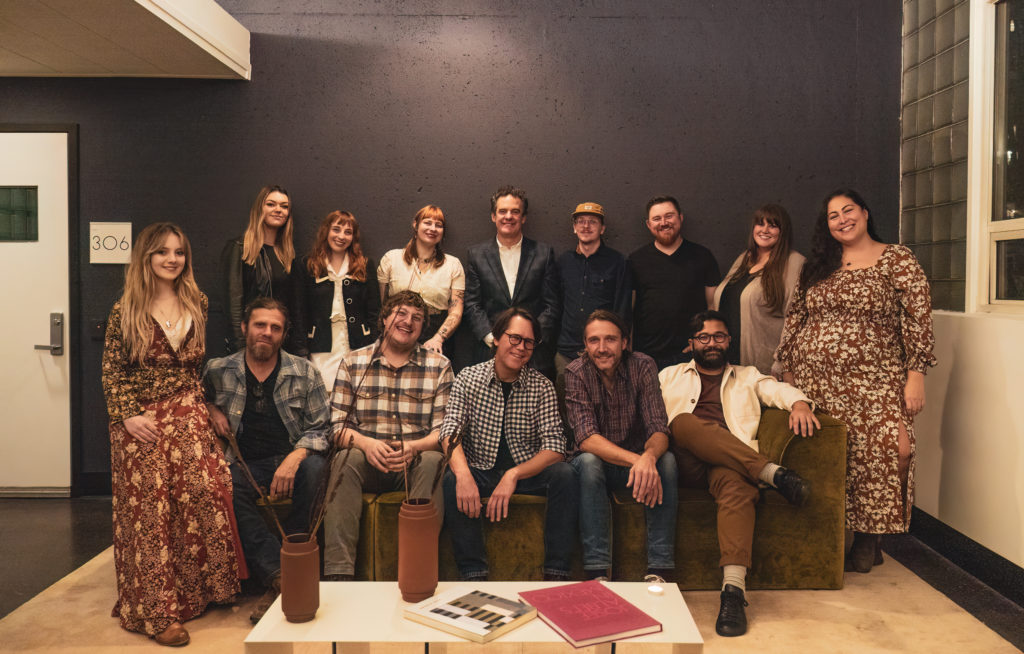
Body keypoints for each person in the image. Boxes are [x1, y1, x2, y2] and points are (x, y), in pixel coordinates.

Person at [776, 189, 936, 574]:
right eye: (833, 215)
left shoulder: (896, 258)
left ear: (865, 212)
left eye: (848, 210)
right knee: (834, 456)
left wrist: (916, 376)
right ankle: (839, 538)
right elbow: (796, 317)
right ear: (826, 225)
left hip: (876, 377)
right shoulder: (817, 265)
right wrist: (788, 371)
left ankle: (870, 536)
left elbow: (918, 318)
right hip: (816, 380)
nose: (842, 219)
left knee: (891, 450)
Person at [102, 222, 241, 647]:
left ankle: (199, 592)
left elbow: (193, 368)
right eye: (162, 252)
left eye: (179, 252)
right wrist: (128, 416)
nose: (171, 259)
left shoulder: (196, 301)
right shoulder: (125, 309)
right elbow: (112, 371)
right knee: (150, 513)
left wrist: (208, 406)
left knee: (206, 493)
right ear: (146, 258)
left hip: (189, 409)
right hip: (140, 421)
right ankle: (156, 613)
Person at [659, 310, 818, 637]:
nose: (712, 343)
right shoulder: (669, 376)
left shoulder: (748, 376)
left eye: (719, 336)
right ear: (691, 344)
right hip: (684, 462)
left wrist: (800, 404)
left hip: (728, 464)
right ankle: (773, 474)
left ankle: (733, 592)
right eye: (704, 337)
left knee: (738, 489)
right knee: (684, 422)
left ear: (729, 341)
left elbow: (778, 391)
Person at [203, 297, 330, 624]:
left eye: (275, 328)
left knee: (317, 468)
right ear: (245, 327)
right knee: (224, 483)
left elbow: (321, 428)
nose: (267, 333)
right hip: (242, 461)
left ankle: (285, 567)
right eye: (260, 325)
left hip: (289, 455)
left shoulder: (304, 372)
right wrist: (212, 409)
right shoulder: (218, 370)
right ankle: (284, 574)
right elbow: (193, 401)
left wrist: (295, 457)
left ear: (283, 334)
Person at [441, 308, 578, 581]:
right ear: (496, 339)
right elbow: (449, 432)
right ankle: (473, 573)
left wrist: (514, 474)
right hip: (480, 469)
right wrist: (464, 473)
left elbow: (555, 447)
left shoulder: (542, 386)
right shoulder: (468, 378)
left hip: (525, 474)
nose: (521, 347)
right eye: (514, 338)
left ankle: (556, 572)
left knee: (566, 474)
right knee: (450, 479)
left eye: (528, 342)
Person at [323, 290, 453, 580]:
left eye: (417, 318)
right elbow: (337, 428)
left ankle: (418, 570)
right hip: (365, 462)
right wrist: (367, 445)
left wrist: (415, 447)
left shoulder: (439, 367)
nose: (408, 322)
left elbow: (443, 431)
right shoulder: (353, 363)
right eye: (401, 313)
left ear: (422, 328)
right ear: (384, 319)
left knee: (433, 460)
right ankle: (338, 575)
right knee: (344, 457)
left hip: (413, 463)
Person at [565, 310, 676, 583]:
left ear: (625, 342)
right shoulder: (575, 372)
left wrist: (648, 457)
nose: (602, 348)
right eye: (594, 340)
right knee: (589, 462)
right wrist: (638, 460)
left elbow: (659, 428)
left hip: (635, 466)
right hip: (597, 466)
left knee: (668, 461)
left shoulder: (643, 365)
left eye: (610, 339)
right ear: (585, 344)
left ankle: (660, 570)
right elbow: (586, 438)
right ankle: (597, 571)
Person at [463, 185, 560, 376]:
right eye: (502, 211)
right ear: (493, 216)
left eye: (515, 212)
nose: (508, 216)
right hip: (489, 353)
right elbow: (472, 304)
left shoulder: (543, 253)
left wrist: (529, 340)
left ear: (523, 218)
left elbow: (552, 305)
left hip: (534, 356)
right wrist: (493, 341)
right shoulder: (476, 255)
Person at [712, 204, 805, 375]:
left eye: (773, 225)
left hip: (763, 365)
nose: (765, 230)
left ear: (783, 231)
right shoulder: (744, 258)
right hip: (726, 360)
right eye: (760, 224)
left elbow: (796, 316)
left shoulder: (794, 262)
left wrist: (782, 361)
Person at [629, 195, 720, 369]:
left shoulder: (702, 256)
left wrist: (703, 342)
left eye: (669, 216)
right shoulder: (635, 260)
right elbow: (629, 312)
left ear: (680, 218)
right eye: (657, 218)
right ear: (649, 224)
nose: (663, 222)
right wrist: (631, 353)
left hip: (691, 356)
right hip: (647, 358)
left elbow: (713, 307)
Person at [554, 202, 632, 392]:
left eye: (592, 222)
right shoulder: (563, 262)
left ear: (602, 228)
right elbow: (555, 305)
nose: (586, 226)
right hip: (566, 351)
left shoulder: (617, 261)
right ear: (574, 227)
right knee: (566, 407)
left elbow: (623, 307)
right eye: (580, 221)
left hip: (604, 352)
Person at [297, 210, 381, 384]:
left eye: (348, 232)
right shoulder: (306, 265)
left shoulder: (365, 265)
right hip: (320, 347)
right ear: (326, 231)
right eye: (336, 229)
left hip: (358, 345)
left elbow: (374, 311)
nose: (341, 236)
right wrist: (300, 351)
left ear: (354, 237)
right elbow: (299, 311)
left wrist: (375, 346)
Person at [222, 185, 305, 354]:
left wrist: (300, 349)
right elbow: (233, 305)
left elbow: (296, 308)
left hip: (282, 346)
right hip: (251, 345)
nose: (278, 210)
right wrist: (240, 348)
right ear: (259, 208)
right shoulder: (239, 248)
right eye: (271, 204)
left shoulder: (288, 255)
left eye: (284, 206)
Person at [378, 205, 465, 358]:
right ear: (415, 224)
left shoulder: (453, 264)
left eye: (438, 225)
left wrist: (438, 339)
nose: (433, 228)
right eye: (427, 222)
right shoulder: (391, 259)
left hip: (435, 336)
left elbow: (456, 311)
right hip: (397, 332)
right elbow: (381, 304)